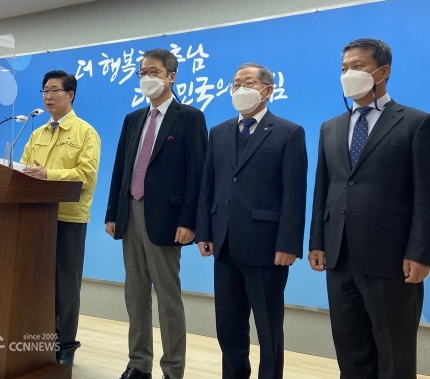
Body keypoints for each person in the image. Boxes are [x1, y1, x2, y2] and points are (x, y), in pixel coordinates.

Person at [309, 38, 430, 379]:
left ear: (383, 71)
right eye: (344, 68)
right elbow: (323, 188)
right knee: (351, 352)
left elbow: (425, 194)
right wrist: (317, 241)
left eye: (357, 66)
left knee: (394, 354)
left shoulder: (416, 123)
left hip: (391, 258)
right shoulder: (330, 127)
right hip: (339, 256)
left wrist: (421, 251)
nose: (348, 73)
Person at [195, 63, 307, 379]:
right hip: (225, 243)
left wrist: (288, 244)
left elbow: (294, 194)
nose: (240, 89)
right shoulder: (219, 132)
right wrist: (204, 230)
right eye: (236, 83)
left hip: (267, 248)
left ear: (267, 90)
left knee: (268, 329)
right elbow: (208, 185)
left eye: (249, 82)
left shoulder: (288, 132)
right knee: (228, 326)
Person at [105, 48, 207, 379]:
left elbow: (197, 173)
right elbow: (121, 169)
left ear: (171, 77)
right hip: (130, 213)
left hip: (166, 219)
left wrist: (189, 221)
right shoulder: (133, 119)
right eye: (143, 73)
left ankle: (172, 369)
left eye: (154, 72)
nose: (147, 78)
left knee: (167, 297)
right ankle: (138, 364)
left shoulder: (189, 117)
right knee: (135, 295)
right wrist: (112, 213)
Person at [20, 70, 101, 367]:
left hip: (68, 219)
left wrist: (48, 175)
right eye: (45, 90)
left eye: (55, 90)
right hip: (36, 218)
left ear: (70, 95)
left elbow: (86, 176)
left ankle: (66, 346)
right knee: (38, 284)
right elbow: (24, 170)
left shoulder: (86, 133)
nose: (48, 96)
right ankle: (41, 341)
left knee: (65, 287)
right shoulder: (37, 133)